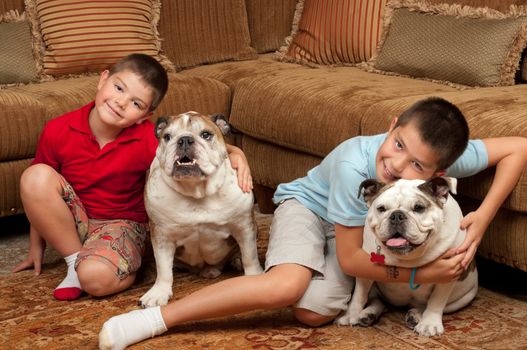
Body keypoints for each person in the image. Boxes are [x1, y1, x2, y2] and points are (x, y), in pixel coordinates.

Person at [98, 97, 527, 350]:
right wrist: (421, 272)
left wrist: (481, 217)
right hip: (310, 208)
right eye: (397, 145)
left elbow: (519, 148)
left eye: (416, 164)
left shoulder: (443, 158)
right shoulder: (352, 165)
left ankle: (354, 295)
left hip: (362, 228)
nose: (396, 164)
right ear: (392, 125)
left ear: (441, 170)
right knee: (285, 287)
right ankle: (159, 320)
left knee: (310, 312)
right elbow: (353, 259)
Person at [11, 53, 253, 301]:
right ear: (103, 79)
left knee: (94, 280)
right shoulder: (58, 129)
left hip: (122, 224)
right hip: (74, 219)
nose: (121, 102)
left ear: (145, 115)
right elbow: (36, 196)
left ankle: (114, 265)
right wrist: (36, 245)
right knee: (35, 176)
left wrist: (236, 153)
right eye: (118, 88)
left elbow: (191, 151)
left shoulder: (147, 138)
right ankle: (75, 262)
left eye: (136, 103)